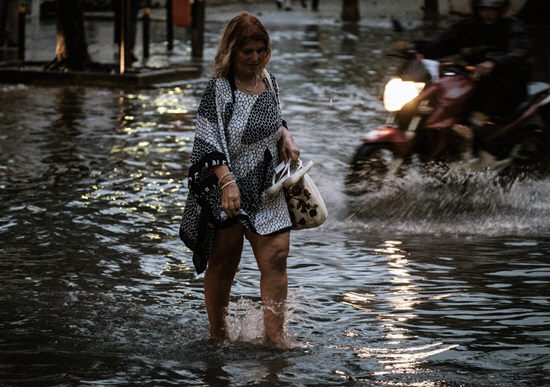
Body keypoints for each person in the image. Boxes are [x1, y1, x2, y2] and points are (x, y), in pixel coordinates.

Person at [179, 12, 300, 347]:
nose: (255, 57)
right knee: (223, 263)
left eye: (260, 50)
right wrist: (227, 182)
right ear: (231, 51)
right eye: (247, 51)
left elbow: (275, 119)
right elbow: (207, 139)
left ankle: (275, 339)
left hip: (267, 187)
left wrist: (285, 136)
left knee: (276, 256)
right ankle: (218, 337)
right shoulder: (219, 90)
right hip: (228, 188)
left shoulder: (270, 82)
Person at [394, 0, 531, 141]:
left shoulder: (513, 28)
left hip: (509, 80)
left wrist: (494, 63)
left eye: (492, 10)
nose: (487, 14)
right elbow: (442, 41)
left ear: (502, 10)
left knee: (491, 88)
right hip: (474, 74)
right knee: (440, 86)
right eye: (483, 9)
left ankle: (474, 132)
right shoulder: (468, 26)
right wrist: (414, 47)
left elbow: (518, 53)